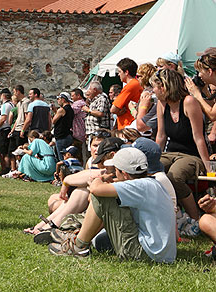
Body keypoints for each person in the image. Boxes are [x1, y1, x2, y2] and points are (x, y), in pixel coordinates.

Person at [48, 147, 176, 263]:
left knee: (102, 197)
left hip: (146, 255)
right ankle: (79, 235)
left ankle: (78, 246)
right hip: (159, 253)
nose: (113, 174)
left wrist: (99, 179)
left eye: (115, 171)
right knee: (101, 241)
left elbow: (96, 191)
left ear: (124, 173)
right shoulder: (152, 184)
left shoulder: (140, 186)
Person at [152, 68, 210, 220]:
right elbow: (161, 135)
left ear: (163, 87)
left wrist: (208, 167)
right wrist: (152, 160)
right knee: (149, 170)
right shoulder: (162, 104)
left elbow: (199, 138)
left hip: (191, 154)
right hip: (170, 153)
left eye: (155, 87)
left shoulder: (189, 102)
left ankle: (195, 219)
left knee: (174, 176)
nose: (153, 91)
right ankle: (165, 215)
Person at [110, 57, 142, 130]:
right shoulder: (137, 83)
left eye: (119, 71)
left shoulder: (131, 85)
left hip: (128, 126)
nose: (118, 74)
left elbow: (113, 109)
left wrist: (119, 111)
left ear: (126, 72)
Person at [0, 89, 14, 175]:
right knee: (5, 150)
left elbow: (3, 118)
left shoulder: (5, 106)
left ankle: (5, 168)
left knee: (2, 151)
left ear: (3, 96)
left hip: (3, 130)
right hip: (8, 129)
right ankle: (6, 167)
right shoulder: (12, 104)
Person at [8, 85, 30, 170]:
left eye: (14, 92)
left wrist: (23, 130)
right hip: (16, 129)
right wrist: (12, 130)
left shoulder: (26, 102)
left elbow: (26, 116)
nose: (14, 94)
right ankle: (13, 169)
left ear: (18, 91)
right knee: (12, 151)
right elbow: (18, 118)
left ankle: (21, 169)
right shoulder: (19, 103)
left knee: (20, 151)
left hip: (21, 129)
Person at [51, 92, 75, 160]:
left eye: (59, 99)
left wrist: (54, 112)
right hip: (68, 135)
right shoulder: (71, 110)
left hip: (61, 137)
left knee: (62, 158)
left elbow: (54, 121)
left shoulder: (61, 110)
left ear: (63, 99)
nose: (58, 100)